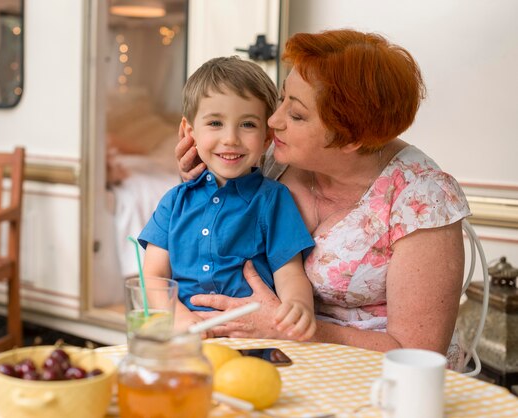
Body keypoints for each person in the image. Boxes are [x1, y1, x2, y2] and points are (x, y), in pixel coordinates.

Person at [175, 30, 470, 369]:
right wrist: (201, 177)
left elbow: (417, 353)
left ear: (350, 138)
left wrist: (288, 329)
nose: (273, 121)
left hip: (372, 379)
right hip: (270, 358)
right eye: (282, 97)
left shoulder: (421, 200)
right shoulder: (271, 155)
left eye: (296, 114)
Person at [138, 56, 317, 340]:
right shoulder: (174, 202)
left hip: (251, 337)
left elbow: (290, 272)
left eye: (247, 124)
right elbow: (154, 277)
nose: (231, 138)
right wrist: (181, 319)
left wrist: (298, 306)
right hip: (185, 339)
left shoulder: (273, 200)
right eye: (215, 123)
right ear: (189, 131)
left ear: (267, 137)